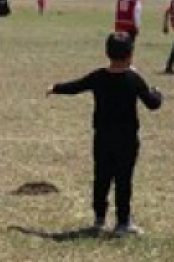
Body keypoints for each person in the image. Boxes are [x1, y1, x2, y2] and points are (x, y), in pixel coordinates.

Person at [47, 32, 164, 236]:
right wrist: (157, 93)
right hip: (127, 140)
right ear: (131, 55)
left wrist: (55, 88)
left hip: (102, 138)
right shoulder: (134, 79)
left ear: (107, 53)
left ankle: (99, 219)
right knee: (123, 180)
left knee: (101, 178)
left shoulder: (98, 76)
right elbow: (152, 104)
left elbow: (76, 86)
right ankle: (123, 223)